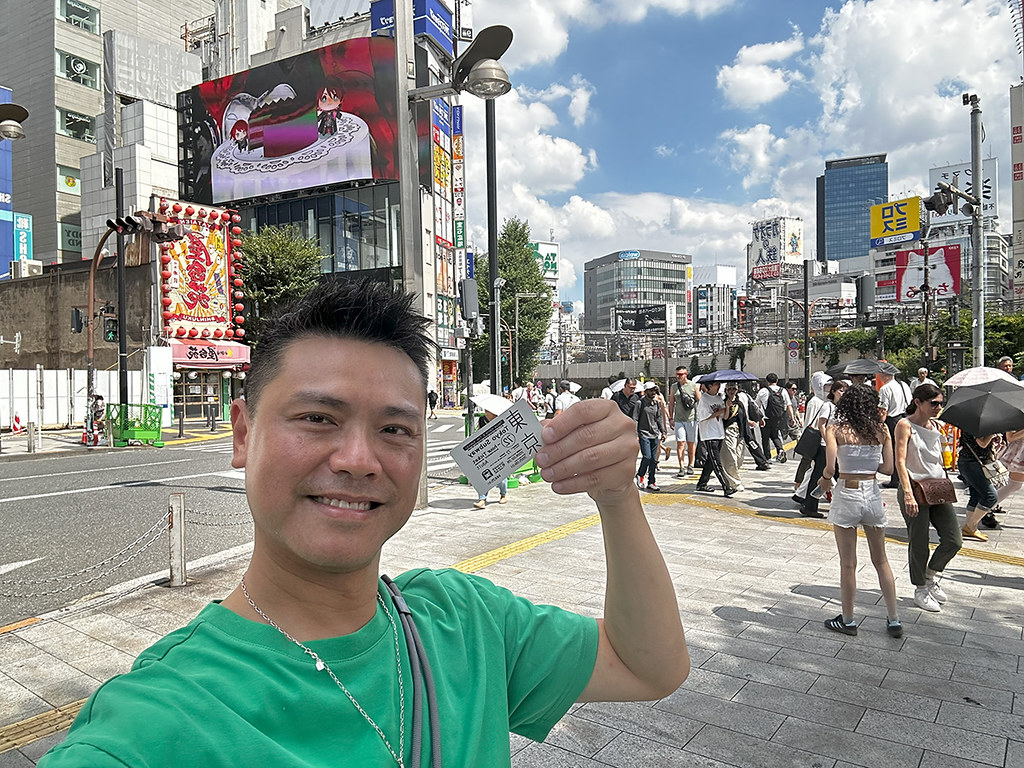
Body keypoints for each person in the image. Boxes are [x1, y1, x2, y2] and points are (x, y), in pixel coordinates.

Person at [39, 278, 689, 767]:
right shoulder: (151, 729)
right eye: (318, 418)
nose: (358, 460)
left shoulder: (467, 623)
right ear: (242, 436)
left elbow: (648, 667)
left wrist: (616, 499)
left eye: (394, 429)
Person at [818, 384, 901, 638]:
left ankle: (849, 620)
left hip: (847, 493)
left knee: (848, 564)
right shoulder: (882, 430)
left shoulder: (835, 429)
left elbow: (830, 467)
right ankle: (894, 619)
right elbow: (888, 469)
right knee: (881, 560)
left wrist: (824, 479)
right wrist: (867, 461)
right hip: (872, 493)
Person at [893, 383, 963, 612]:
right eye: (933, 403)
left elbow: (938, 458)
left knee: (954, 539)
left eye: (940, 403)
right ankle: (920, 588)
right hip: (914, 486)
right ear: (918, 402)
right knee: (919, 541)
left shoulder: (937, 426)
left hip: (937, 486)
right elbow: (900, 461)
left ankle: (931, 575)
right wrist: (908, 494)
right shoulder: (905, 425)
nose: (938, 407)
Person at [796, 380, 848, 520]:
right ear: (833, 392)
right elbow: (821, 425)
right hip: (825, 446)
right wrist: (828, 440)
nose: (843, 394)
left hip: (837, 446)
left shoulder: (843, 408)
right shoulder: (828, 406)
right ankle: (810, 506)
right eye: (840, 391)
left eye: (844, 391)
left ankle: (811, 504)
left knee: (838, 475)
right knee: (819, 476)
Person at [694, 381, 736, 497]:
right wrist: (720, 411)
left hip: (719, 432)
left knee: (711, 461)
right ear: (710, 386)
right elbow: (704, 416)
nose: (718, 387)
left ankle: (702, 483)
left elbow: (725, 416)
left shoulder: (719, 398)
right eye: (716, 384)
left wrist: (727, 407)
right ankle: (726, 487)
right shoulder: (704, 399)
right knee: (717, 462)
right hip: (709, 434)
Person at [957, 429, 1000, 542]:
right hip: (972, 463)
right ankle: (970, 526)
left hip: (970, 462)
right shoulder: (975, 424)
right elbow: (982, 443)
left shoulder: (973, 422)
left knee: (976, 496)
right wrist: (991, 434)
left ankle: (972, 529)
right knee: (991, 496)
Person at [877, 371, 913, 488]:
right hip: (905, 418)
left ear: (885, 375)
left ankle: (895, 479)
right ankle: (904, 478)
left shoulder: (885, 388)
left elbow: (883, 409)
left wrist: (879, 424)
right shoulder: (903, 385)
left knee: (893, 450)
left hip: (892, 420)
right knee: (904, 449)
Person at [668, 366, 700, 477]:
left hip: (691, 418)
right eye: (677, 374)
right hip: (679, 419)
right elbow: (671, 403)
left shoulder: (693, 386)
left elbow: (700, 401)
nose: (678, 376)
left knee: (691, 443)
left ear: (686, 374)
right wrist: (670, 418)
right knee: (680, 443)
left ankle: (690, 465)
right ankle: (681, 466)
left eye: (680, 374)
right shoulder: (674, 387)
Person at [474, 407, 508, 509]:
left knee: (501, 475)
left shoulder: (500, 420)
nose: (486, 413)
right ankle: (482, 499)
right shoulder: (482, 420)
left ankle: (503, 494)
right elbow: (479, 433)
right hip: (486, 451)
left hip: (499, 450)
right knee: (483, 475)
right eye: (485, 411)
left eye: (488, 411)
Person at [633, 382, 665, 492]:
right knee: (647, 456)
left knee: (653, 459)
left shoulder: (656, 403)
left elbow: (659, 418)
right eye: (651, 390)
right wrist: (636, 434)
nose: (653, 393)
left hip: (654, 433)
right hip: (643, 433)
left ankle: (651, 481)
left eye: (654, 390)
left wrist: (663, 431)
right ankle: (640, 474)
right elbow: (635, 418)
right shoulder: (640, 403)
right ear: (646, 391)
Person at [755, 373, 793, 463]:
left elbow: (756, 405)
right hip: (778, 418)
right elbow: (789, 405)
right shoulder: (782, 390)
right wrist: (793, 418)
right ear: (777, 381)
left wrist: (757, 418)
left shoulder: (763, 391)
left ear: (767, 381)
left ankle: (767, 457)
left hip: (765, 418)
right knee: (775, 435)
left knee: (765, 438)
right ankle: (780, 450)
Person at [719, 383, 747, 493]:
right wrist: (727, 406)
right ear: (725, 390)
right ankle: (735, 483)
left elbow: (743, 417)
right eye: (729, 389)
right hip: (728, 430)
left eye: (734, 389)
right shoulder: (723, 402)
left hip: (740, 431)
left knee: (739, 458)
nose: (731, 391)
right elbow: (724, 418)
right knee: (730, 458)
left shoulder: (740, 402)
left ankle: (729, 477)